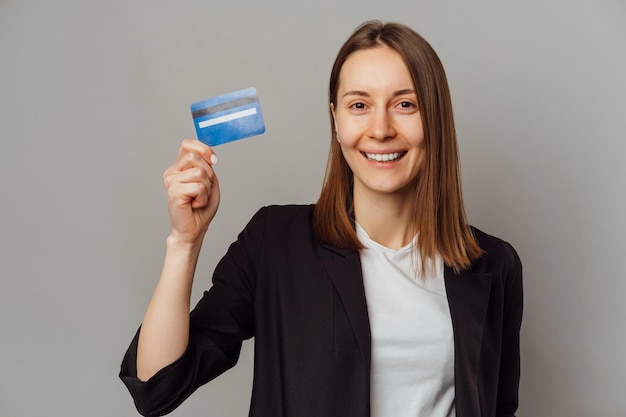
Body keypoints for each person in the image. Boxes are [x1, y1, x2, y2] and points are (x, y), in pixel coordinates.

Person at [120, 20, 523, 417]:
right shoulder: (275, 243)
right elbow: (156, 388)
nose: (380, 129)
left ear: (434, 117)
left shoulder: (494, 265)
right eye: (359, 106)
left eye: (405, 104)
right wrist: (184, 243)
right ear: (336, 119)